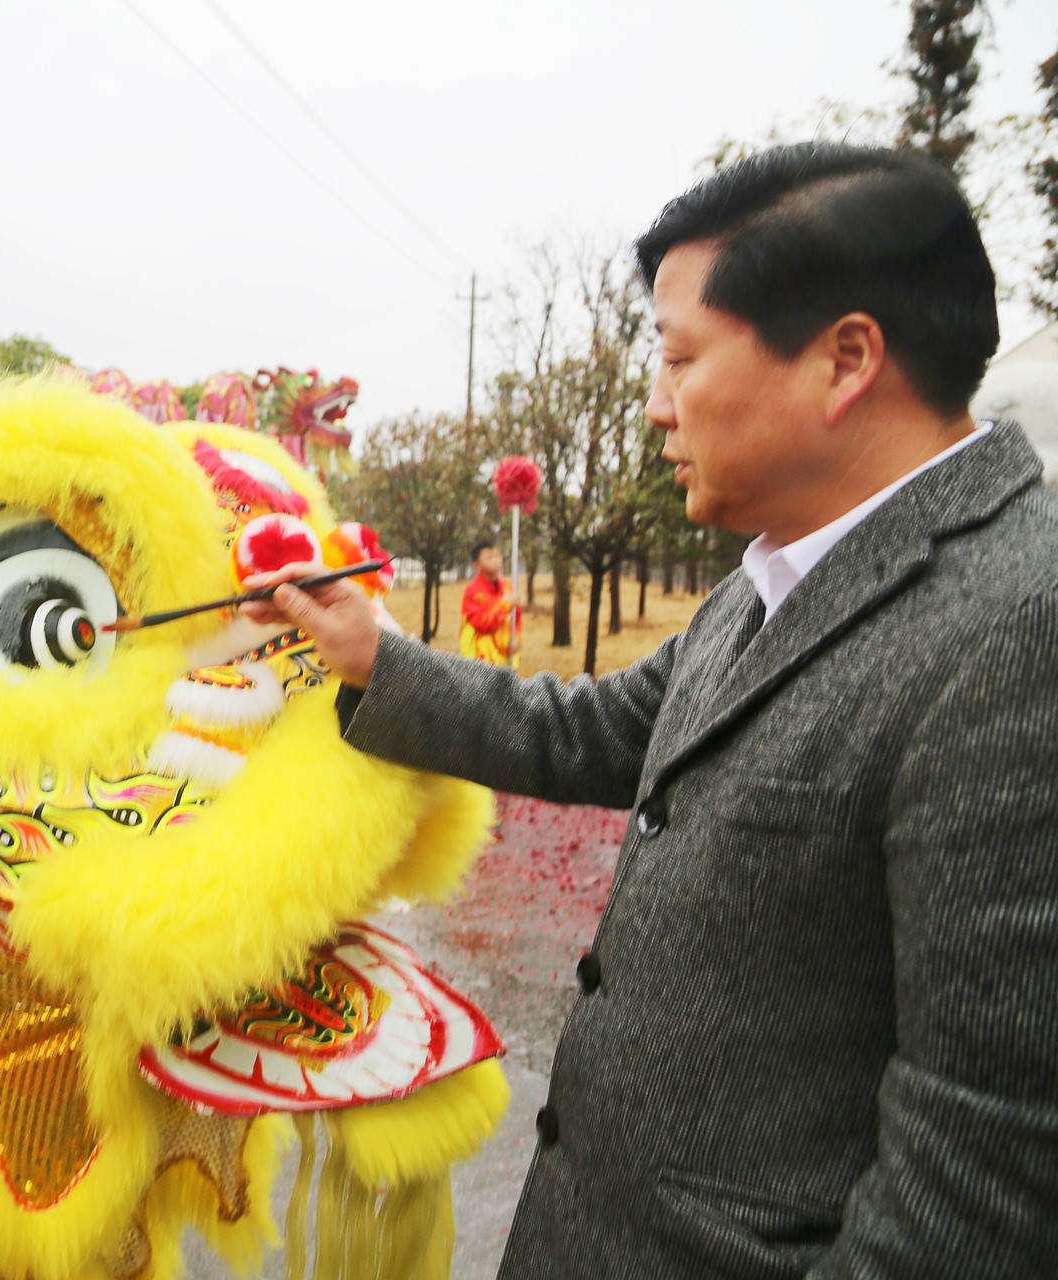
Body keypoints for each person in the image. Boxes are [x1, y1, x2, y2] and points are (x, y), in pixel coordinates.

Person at [243, 143, 1058, 1278]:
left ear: (847, 359)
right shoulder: (771, 578)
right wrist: (373, 653)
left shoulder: (1020, 622)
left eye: (678, 358)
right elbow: (595, 730)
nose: (654, 405)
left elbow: (985, 1161)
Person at [459, 539, 513, 666]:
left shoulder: (508, 588)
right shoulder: (473, 591)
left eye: (497, 556)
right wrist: (505, 604)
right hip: (479, 660)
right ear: (477, 565)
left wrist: (516, 640)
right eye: (489, 558)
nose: (496, 560)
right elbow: (484, 624)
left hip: (503, 658)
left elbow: (515, 620)